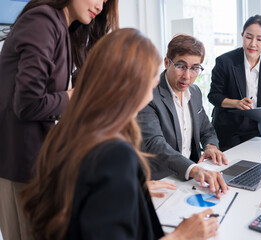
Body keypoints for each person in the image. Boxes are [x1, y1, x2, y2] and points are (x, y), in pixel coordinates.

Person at [21, 28, 219, 240]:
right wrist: (181, 236)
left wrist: (132, 187)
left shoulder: (66, 132)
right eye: (153, 78)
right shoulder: (114, 153)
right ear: (133, 85)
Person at [0, 0, 118, 239]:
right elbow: (28, 104)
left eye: (106, 1)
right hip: (22, 166)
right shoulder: (43, 20)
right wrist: (75, 95)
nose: (100, 5)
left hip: (42, 164)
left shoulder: (62, 27)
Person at [138, 34, 228, 198]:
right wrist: (194, 170)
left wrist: (211, 146)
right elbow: (154, 144)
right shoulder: (148, 94)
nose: (187, 76)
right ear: (167, 62)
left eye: (194, 68)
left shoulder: (194, 92)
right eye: (181, 66)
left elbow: (206, 129)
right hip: (162, 184)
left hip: (191, 182)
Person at [208, 15, 261, 151]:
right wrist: (236, 103)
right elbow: (213, 96)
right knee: (228, 170)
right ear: (242, 35)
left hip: (257, 130)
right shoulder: (225, 62)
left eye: (259, 39)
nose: (253, 44)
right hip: (227, 129)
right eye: (248, 37)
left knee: (255, 169)